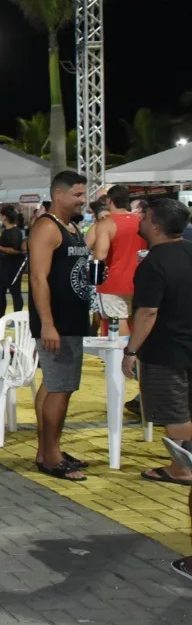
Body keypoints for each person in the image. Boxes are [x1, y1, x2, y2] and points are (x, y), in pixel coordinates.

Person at [28, 170, 92, 482]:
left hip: (71, 320)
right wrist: (48, 324)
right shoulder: (47, 227)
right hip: (58, 323)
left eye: (84, 194)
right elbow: (38, 278)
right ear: (58, 195)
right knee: (61, 388)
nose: (83, 199)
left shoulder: (72, 227)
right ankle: (51, 457)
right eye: (77, 194)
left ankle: (47, 450)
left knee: (54, 384)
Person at [124, 199, 192, 485]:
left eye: (145, 216)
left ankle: (182, 468)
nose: (140, 220)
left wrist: (131, 350)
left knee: (174, 413)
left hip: (167, 351)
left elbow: (148, 312)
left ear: (157, 225)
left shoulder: (154, 263)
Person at [93, 185, 148, 336]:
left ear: (110, 201)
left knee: (117, 319)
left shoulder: (107, 223)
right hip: (139, 278)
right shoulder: (140, 221)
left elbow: (100, 255)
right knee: (134, 319)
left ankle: (122, 356)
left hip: (114, 280)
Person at [0, 204, 27, 323]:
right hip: (3, 266)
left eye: (1, 215)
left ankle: (17, 319)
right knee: (0, 292)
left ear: (4, 217)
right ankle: (1, 318)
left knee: (15, 292)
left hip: (13, 267)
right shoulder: (6, 231)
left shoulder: (15, 232)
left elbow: (17, 250)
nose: (0, 217)